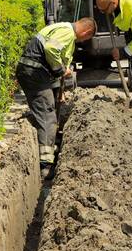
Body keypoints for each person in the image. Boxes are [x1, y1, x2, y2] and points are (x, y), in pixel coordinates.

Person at [16, 18, 96, 165]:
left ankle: (47, 142)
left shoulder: (63, 29)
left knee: (49, 107)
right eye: (87, 38)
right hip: (34, 73)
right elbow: (51, 50)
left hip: (35, 72)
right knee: (47, 115)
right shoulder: (67, 33)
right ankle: (45, 161)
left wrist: (60, 90)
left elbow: (54, 59)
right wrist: (61, 69)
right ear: (86, 32)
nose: (83, 41)